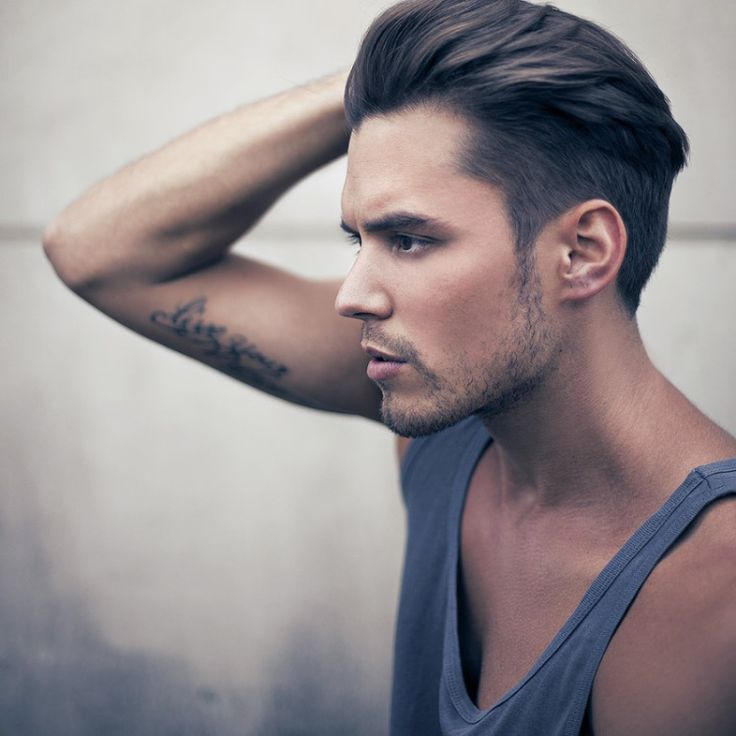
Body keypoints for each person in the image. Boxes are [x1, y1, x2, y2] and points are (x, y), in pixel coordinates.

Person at [43, 0, 736, 734]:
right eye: (360, 240)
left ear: (582, 252)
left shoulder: (711, 583)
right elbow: (97, 251)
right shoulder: (449, 414)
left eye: (408, 240)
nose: (353, 296)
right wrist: (384, 88)